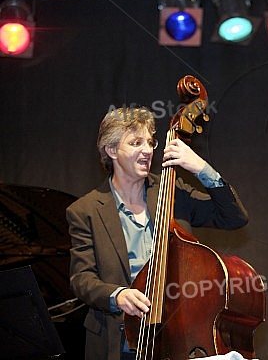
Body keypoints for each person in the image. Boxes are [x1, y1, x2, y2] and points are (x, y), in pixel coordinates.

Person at [68, 107, 249, 360]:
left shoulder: (171, 192)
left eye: (151, 142)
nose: (148, 150)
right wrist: (117, 295)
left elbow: (234, 217)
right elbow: (82, 279)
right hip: (119, 342)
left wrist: (201, 169)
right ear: (111, 151)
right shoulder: (85, 211)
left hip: (179, 337)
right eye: (135, 142)